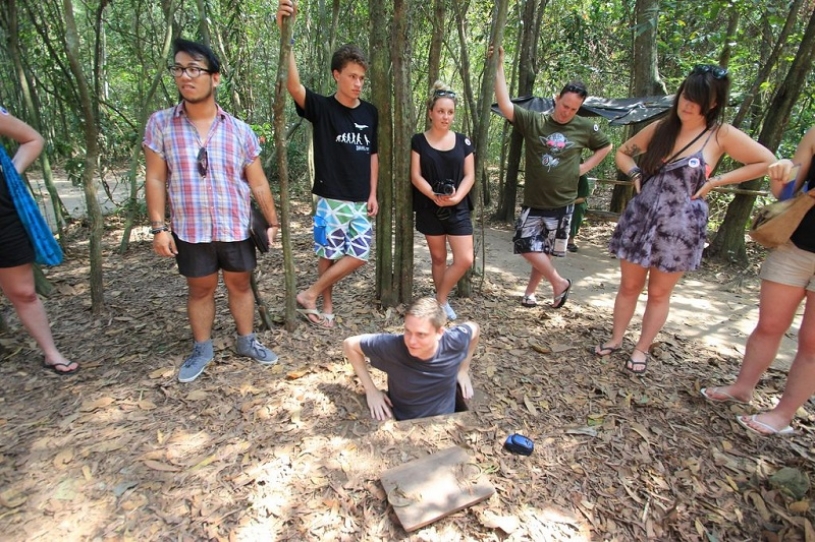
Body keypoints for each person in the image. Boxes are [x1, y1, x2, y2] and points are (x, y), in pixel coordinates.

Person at [597, 64, 775, 375]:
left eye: (697, 99)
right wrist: (636, 173)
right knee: (629, 286)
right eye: (685, 96)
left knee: (659, 292)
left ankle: (641, 349)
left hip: (680, 227)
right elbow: (623, 153)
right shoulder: (661, 128)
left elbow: (766, 161)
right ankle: (615, 338)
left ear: (714, 103)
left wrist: (716, 181)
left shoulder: (721, 134)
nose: (687, 104)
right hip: (642, 219)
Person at [144, 39, 280, 383]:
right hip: (191, 228)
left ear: (214, 78)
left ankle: (246, 341)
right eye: (178, 69)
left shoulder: (239, 130)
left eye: (194, 69)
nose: (185, 76)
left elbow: (258, 182)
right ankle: (202, 347)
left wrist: (273, 221)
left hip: (235, 225)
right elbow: (156, 179)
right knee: (200, 289)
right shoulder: (160, 125)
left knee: (240, 284)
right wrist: (159, 228)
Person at [701, 126, 815, 436]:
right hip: (796, 243)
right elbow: (788, 192)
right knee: (769, 324)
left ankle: (783, 414)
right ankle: (742, 387)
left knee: (811, 341)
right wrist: (781, 178)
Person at [277, 0, 379, 328]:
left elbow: (372, 153)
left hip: (360, 199)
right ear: (337, 75)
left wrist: (373, 193)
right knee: (328, 254)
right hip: (330, 196)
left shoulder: (370, 112)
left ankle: (309, 294)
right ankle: (325, 305)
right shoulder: (322, 107)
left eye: (361, 77)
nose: (358, 83)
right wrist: (286, 36)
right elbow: (294, 86)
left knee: (360, 254)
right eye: (352, 76)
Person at [492, 46, 612, 309]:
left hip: (563, 201)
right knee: (525, 245)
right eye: (565, 105)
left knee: (545, 252)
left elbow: (606, 146)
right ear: (556, 98)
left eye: (574, 108)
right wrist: (499, 66)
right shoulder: (535, 122)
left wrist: (582, 169)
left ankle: (531, 293)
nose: (567, 111)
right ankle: (559, 282)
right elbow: (505, 105)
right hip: (535, 200)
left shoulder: (583, 127)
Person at [0, 107, 78, 375]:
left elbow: (33, 139)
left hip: (3, 214)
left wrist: (8, 174)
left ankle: (51, 353)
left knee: (23, 291)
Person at [342, 297, 479, 421]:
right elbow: (350, 345)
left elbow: (475, 329)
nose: (411, 341)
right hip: (405, 421)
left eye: (421, 334)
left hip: (446, 421)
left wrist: (463, 370)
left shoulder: (453, 342)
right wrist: (371, 390)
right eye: (408, 331)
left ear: (440, 333)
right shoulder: (393, 346)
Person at [410, 82, 475, 321]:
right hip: (430, 206)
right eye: (440, 111)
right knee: (438, 258)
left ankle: (438, 300)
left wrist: (457, 196)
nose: (445, 117)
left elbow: (470, 175)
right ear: (430, 112)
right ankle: (443, 304)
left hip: (457, 207)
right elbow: (415, 176)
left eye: (449, 112)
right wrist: (433, 195)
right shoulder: (418, 141)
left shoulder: (463, 142)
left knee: (465, 259)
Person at [568, 172, 590, 252]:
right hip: (561, 199)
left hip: (577, 202)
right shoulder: (561, 173)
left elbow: (582, 198)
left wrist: (569, 202)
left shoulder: (582, 178)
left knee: (578, 210)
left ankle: (570, 240)